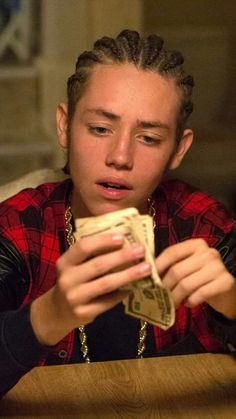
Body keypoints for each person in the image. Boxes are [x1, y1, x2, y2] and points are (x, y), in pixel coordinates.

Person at [0, 29, 235, 397]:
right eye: (99, 128)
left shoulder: (204, 226)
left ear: (178, 149)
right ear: (64, 126)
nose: (120, 157)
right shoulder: (18, 228)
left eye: (149, 138)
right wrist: (48, 316)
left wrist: (232, 306)